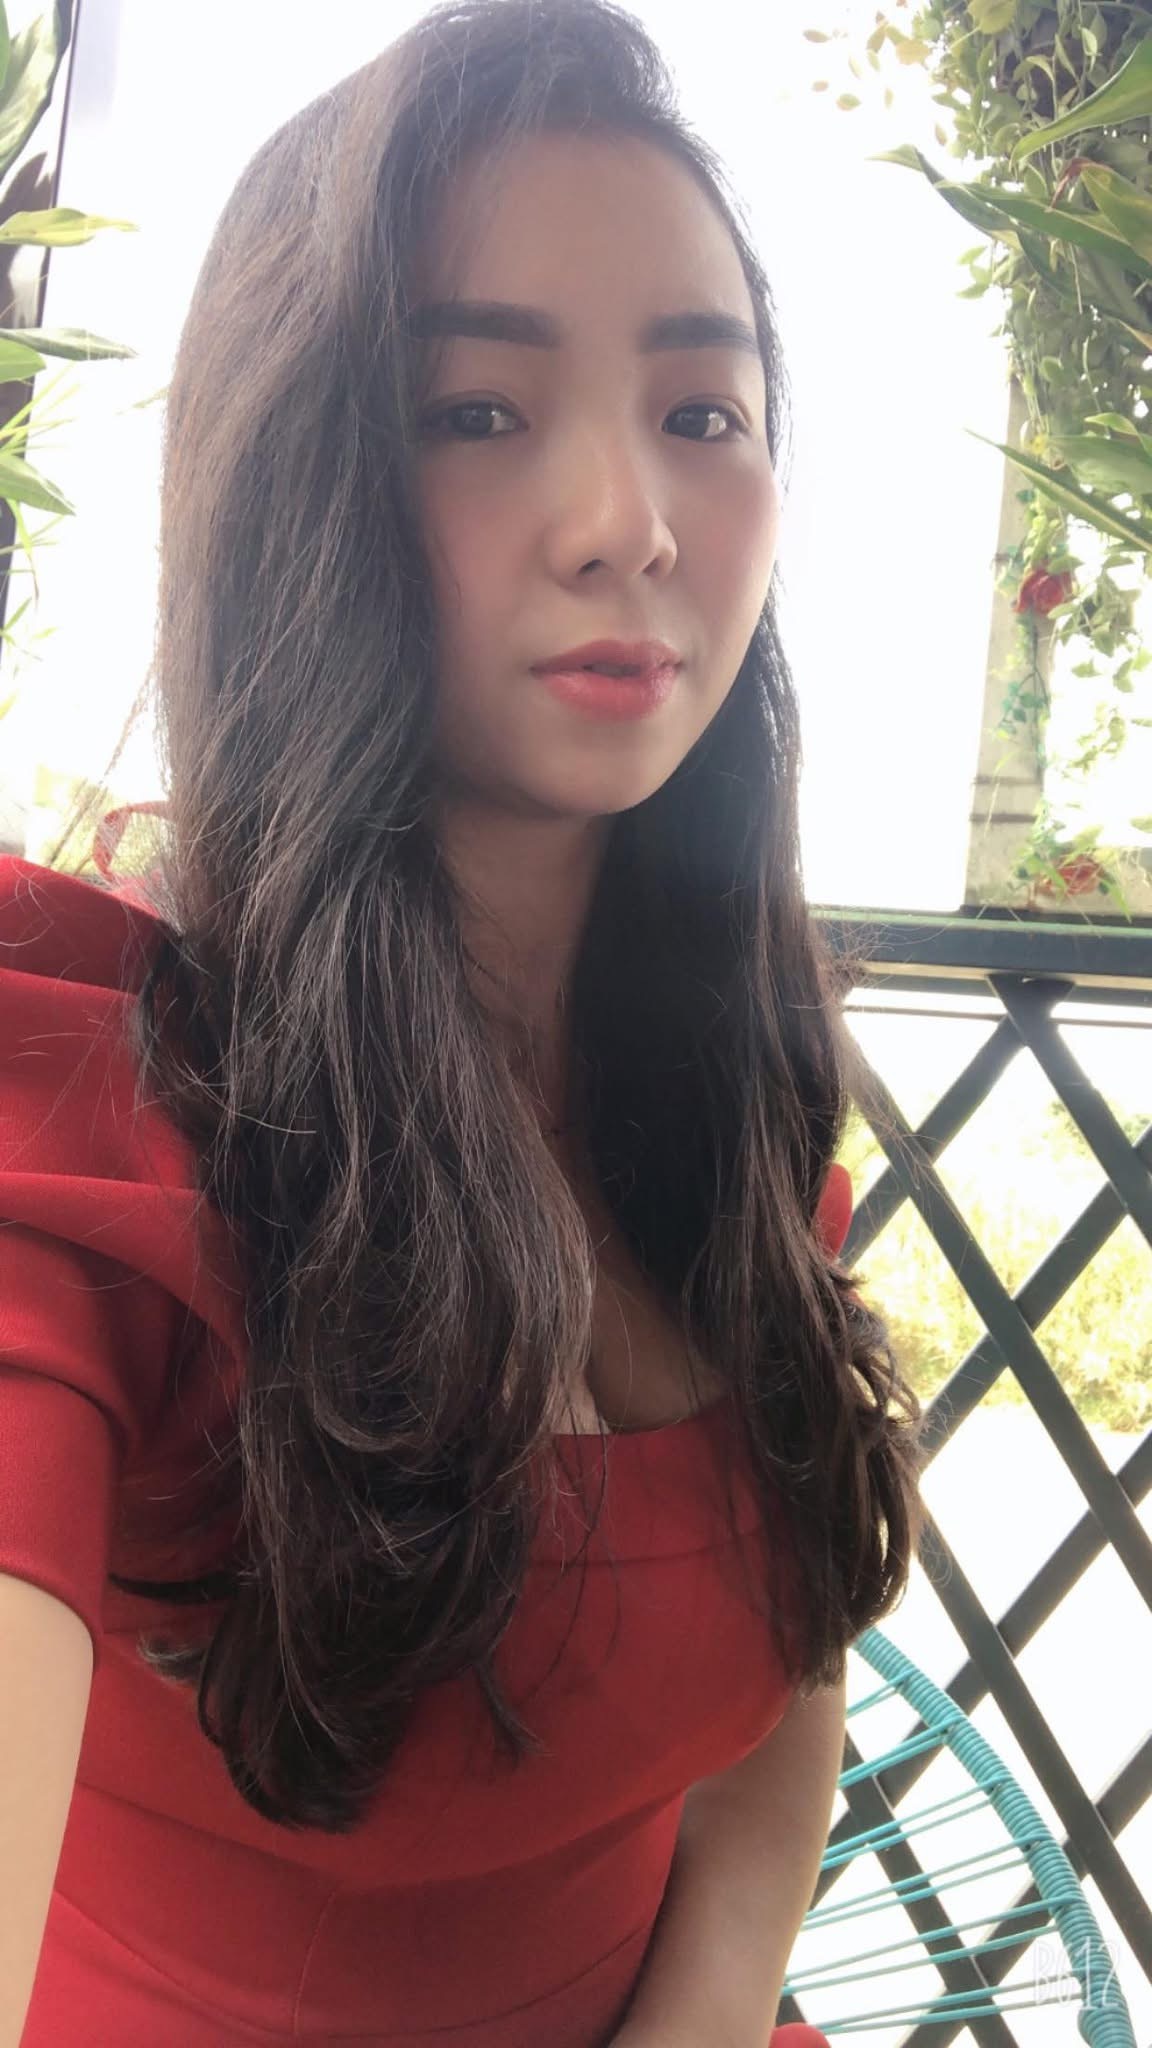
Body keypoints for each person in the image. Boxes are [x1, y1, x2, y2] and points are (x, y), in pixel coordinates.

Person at [0, 0, 926, 2040]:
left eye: (703, 411)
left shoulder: (726, 1104)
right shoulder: (86, 1120)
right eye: (479, 410)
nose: (629, 519)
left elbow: (774, 1733)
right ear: (294, 483)